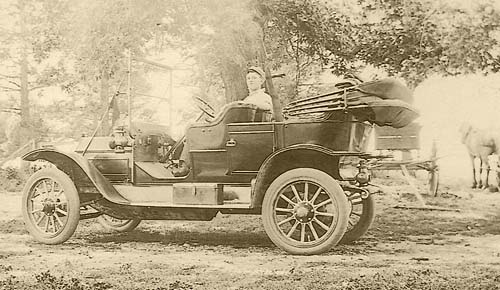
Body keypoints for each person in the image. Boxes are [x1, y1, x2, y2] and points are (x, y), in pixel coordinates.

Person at [172, 66, 272, 177]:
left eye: (254, 78)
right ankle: (184, 163)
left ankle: (184, 167)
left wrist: (247, 104)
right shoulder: (250, 98)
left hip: (230, 135)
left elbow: (267, 106)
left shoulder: (263, 97)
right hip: (232, 132)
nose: (251, 80)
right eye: (248, 78)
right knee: (195, 130)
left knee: (191, 129)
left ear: (261, 81)